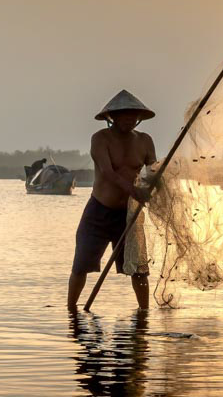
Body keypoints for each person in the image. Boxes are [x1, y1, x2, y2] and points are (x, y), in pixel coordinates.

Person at [68, 90, 158, 312]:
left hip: (128, 215)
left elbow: (152, 171)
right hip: (98, 211)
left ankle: (144, 314)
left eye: (132, 115)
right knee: (81, 265)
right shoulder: (100, 139)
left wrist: (154, 184)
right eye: (123, 115)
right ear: (112, 117)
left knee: (138, 269)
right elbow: (107, 172)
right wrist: (133, 190)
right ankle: (71, 312)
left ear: (138, 117)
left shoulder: (145, 141)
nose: (128, 119)